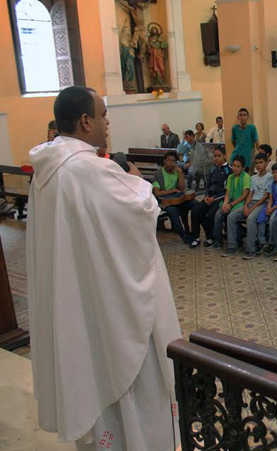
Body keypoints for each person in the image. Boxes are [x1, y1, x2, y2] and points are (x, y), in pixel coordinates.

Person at [27, 86, 181, 450]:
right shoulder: (87, 169)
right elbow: (142, 210)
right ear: (85, 122)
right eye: (103, 114)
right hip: (110, 305)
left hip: (78, 297)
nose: (107, 122)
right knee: (127, 376)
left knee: (91, 365)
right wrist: (136, 180)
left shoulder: (46, 169)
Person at [225, 154, 271, 258]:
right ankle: (232, 246)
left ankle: (251, 249)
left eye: (261, 162)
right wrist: (246, 206)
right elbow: (250, 194)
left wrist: (251, 209)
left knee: (250, 219)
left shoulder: (270, 177)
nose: (258, 165)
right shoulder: (253, 177)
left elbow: (265, 197)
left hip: (261, 204)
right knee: (231, 216)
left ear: (266, 163)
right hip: (250, 203)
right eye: (256, 163)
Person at [152, 151, 196, 244]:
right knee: (173, 211)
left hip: (178, 198)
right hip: (166, 201)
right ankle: (184, 236)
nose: (171, 163)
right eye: (169, 161)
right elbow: (157, 193)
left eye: (174, 161)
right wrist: (172, 190)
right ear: (164, 161)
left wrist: (180, 173)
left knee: (196, 205)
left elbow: (182, 188)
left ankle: (194, 232)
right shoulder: (158, 174)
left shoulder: (177, 171)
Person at [189, 147, 230, 249]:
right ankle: (196, 237)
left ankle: (212, 237)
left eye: (219, 156)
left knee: (211, 214)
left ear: (224, 156)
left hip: (220, 199)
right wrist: (206, 196)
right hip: (209, 198)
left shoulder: (229, 170)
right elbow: (208, 185)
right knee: (196, 211)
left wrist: (214, 199)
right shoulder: (213, 170)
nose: (216, 158)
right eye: (215, 156)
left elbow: (227, 191)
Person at [259, 163, 277, 256]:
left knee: (272, 221)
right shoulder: (271, 183)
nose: (275, 174)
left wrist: (273, 209)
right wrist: (269, 207)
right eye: (273, 172)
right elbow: (271, 198)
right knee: (261, 218)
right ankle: (261, 241)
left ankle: (272, 242)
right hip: (272, 205)